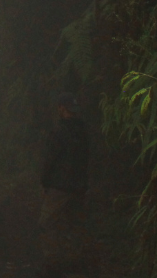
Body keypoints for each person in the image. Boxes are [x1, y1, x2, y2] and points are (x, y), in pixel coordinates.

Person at [39, 92, 90, 278]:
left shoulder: (59, 131)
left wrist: (44, 181)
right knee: (75, 223)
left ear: (61, 109)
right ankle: (77, 260)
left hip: (59, 186)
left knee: (48, 223)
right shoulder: (83, 130)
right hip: (79, 185)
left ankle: (53, 262)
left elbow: (50, 159)